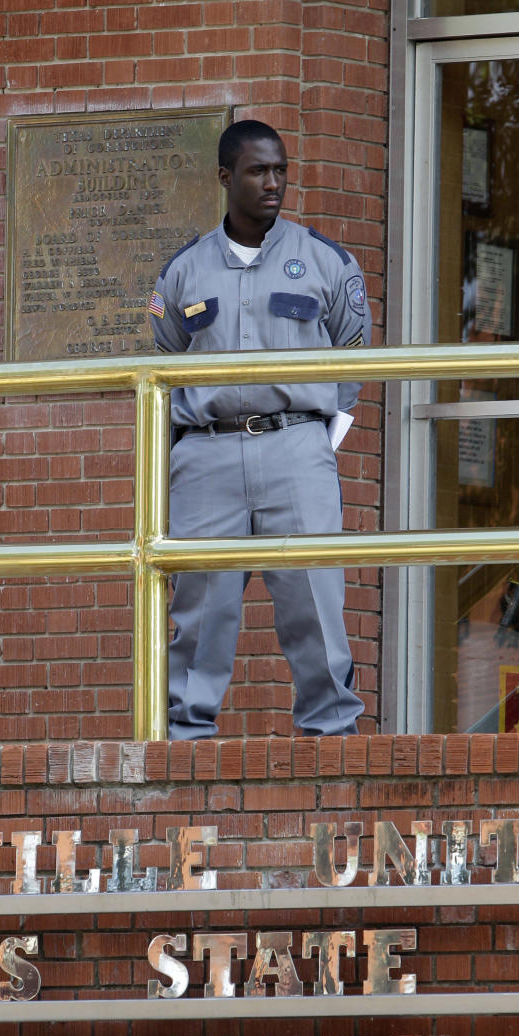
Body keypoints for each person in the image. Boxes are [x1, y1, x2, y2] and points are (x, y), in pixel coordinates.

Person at [149, 119, 371, 739]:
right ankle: (183, 743)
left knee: (315, 602)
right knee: (200, 608)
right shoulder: (183, 273)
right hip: (208, 454)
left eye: (280, 170)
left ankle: (332, 740)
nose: (273, 183)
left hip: (297, 448)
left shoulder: (326, 262)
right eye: (257, 171)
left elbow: (355, 351)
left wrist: (319, 431)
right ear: (225, 177)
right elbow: (164, 360)